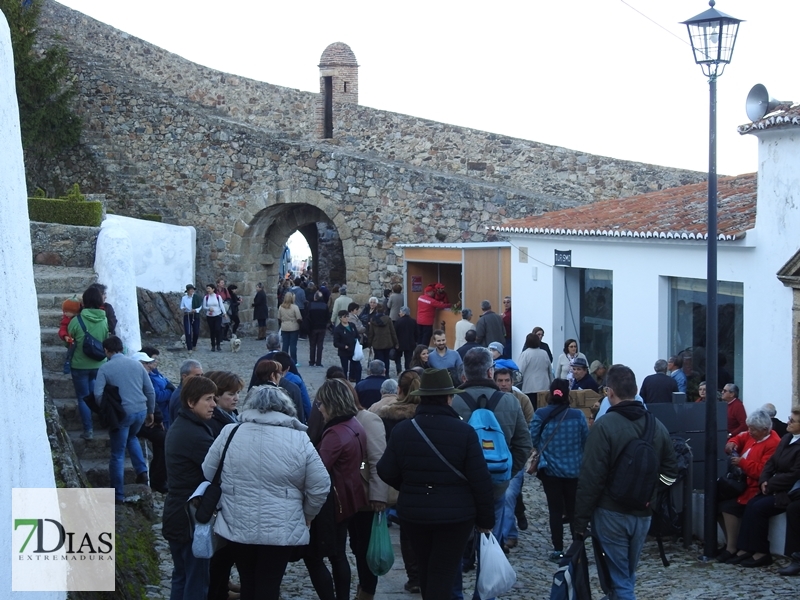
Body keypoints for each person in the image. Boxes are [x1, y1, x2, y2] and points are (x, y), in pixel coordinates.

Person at [202, 385, 330, 600]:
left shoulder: (230, 432)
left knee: (248, 580)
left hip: (237, 521)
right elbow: (321, 485)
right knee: (270, 582)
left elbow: (208, 471)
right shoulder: (299, 438)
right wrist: (308, 514)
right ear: (285, 408)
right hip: (281, 525)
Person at [377, 369, 495, 600]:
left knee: (425, 567)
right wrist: (486, 521)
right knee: (444, 571)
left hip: (415, 512)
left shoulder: (403, 430)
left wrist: (410, 485)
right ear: (449, 398)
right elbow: (480, 480)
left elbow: (385, 470)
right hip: (456, 516)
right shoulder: (465, 432)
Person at [574, 364, 678, 600]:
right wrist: (651, 491)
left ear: (610, 392)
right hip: (642, 514)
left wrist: (579, 523)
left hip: (610, 512)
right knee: (625, 575)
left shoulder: (603, 427)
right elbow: (671, 472)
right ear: (636, 390)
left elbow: (591, 479)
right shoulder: (657, 426)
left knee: (620, 581)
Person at [451, 346, 531, 597]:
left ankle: (454, 594)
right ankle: (483, 595)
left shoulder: (452, 402)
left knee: (454, 547)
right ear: (490, 371)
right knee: (489, 545)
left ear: (464, 374)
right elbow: (523, 445)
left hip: (460, 487)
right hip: (495, 486)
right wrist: (506, 473)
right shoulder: (509, 401)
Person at [304, 379, 368, 600]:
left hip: (334, 502)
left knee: (315, 556)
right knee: (339, 555)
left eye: (321, 402)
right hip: (351, 496)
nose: (318, 407)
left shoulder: (335, 434)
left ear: (331, 403)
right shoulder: (355, 425)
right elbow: (361, 463)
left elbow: (317, 471)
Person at [163, 375, 218, 599]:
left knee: (182, 576)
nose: (213, 404)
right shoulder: (194, 434)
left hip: (178, 512)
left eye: (214, 398)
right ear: (190, 402)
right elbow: (219, 471)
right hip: (189, 518)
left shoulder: (185, 425)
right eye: (208, 399)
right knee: (195, 581)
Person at [725, 407, 800, 567]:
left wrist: (769, 483)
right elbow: (771, 464)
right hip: (773, 486)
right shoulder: (787, 438)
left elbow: (794, 474)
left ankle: (761, 552)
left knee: (758, 508)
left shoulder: (782, 442)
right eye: (789, 418)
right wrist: (765, 480)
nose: (788, 422)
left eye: (792, 421)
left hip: (788, 491)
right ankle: (745, 548)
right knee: (752, 505)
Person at [529, 378, 589, 562]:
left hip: (551, 471)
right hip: (574, 470)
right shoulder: (578, 416)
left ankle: (558, 549)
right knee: (573, 511)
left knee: (555, 511)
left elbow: (533, 439)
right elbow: (585, 440)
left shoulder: (540, 414)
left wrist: (545, 450)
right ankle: (577, 548)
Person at [94, 339, 155, 503]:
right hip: (140, 410)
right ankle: (142, 470)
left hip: (122, 414)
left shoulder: (105, 368)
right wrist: (150, 412)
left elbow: (98, 394)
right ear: (121, 348)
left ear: (107, 350)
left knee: (117, 455)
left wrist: (107, 411)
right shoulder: (137, 365)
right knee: (132, 437)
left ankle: (118, 495)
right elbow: (150, 391)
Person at [716, 410, 780, 563]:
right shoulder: (753, 435)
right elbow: (741, 436)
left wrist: (742, 463)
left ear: (765, 430)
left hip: (753, 488)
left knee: (729, 507)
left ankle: (734, 547)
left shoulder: (773, 444)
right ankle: (732, 545)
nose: (749, 431)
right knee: (715, 503)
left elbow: (763, 471)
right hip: (742, 485)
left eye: (753, 429)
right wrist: (733, 442)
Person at [350, 382, 390, 600]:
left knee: (365, 545)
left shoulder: (368, 419)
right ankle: (364, 586)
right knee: (356, 544)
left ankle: (367, 589)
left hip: (365, 495)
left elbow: (375, 460)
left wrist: (378, 494)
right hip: (350, 495)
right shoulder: (339, 420)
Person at [494, 367, 534, 550]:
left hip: (513, 455)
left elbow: (530, 427)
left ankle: (508, 534)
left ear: (512, 382)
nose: (503, 384)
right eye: (500, 381)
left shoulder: (522, 400)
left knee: (509, 495)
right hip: (494, 456)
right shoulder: (491, 399)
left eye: (506, 381)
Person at [68, 286, 109, 441]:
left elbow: (69, 341)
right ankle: (103, 421)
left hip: (79, 364)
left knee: (83, 397)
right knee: (96, 393)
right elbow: (105, 338)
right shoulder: (104, 319)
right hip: (99, 364)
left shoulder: (76, 320)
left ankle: (89, 430)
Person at [204, 371, 244, 437]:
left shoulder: (233, 415)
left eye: (238, 393)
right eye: (231, 394)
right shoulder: (211, 422)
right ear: (217, 395)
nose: (236, 398)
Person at [516, 332, 553, 404]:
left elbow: (520, 371)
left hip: (529, 387)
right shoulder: (544, 353)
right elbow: (550, 370)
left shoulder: (525, 354)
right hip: (544, 386)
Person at [168, 360, 204, 424]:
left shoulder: (187, 393)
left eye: (202, 375)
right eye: (197, 376)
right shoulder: (182, 397)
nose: (201, 379)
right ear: (184, 377)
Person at [367, 304, 398, 375]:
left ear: (376, 310)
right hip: (387, 342)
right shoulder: (388, 319)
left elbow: (371, 333)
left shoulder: (373, 320)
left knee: (378, 358)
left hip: (377, 343)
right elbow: (392, 331)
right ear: (384, 310)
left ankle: (378, 373)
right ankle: (386, 373)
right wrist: (396, 342)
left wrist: (369, 343)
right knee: (386, 359)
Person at [333, 309, 362, 383]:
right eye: (344, 317)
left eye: (347, 316)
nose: (346, 318)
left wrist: (357, 341)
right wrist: (343, 346)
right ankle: (345, 383)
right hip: (344, 352)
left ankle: (358, 382)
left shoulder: (352, 325)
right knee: (344, 369)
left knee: (358, 367)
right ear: (340, 318)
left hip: (353, 350)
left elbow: (357, 335)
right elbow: (336, 343)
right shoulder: (338, 329)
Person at [278, 291, 303, 365]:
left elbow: (278, 317)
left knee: (285, 345)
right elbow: (299, 317)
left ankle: (283, 361)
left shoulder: (281, 307)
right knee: (293, 345)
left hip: (284, 326)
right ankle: (294, 361)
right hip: (293, 327)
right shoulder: (295, 307)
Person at [308, 291, 330, 367]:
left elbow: (308, 316)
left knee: (312, 345)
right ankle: (318, 361)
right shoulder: (324, 306)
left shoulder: (311, 305)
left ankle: (312, 361)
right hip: (322, 327)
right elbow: (327, 317)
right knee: (320, 345)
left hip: (313, 327)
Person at [393, 306, 417, 374]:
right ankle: (408, 370)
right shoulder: (413, 321)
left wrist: (395, 343)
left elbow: (395, 333)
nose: (399, 313)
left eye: (400, 312)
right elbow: (417, 333)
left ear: (403, 313)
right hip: (410, 343)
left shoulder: (398, 322)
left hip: (400, 343)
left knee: (397, 357)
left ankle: (399, 369)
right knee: (409, 358)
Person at [203, 283, 226, 352]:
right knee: (212, 331)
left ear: (213, 289)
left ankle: (218, 344)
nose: (208, 290)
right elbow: (204, 306)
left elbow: (221, 305)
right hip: (210, 316)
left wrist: (224, 313)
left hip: (217, 315)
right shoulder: (206, 297)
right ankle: (213, 345)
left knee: (217, 329)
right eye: (207, 289)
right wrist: (208, 308)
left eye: (209, 288)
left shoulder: (218, 297)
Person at [180, 284, 202, 352]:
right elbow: (181, 306)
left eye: (193, 289)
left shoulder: (196, 297)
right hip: (187, 315)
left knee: (196, 332)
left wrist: (196, 310)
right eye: (190, 290)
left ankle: (194, 344)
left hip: (195, 315)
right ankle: (189, 348)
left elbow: (200, 306)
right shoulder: (184, 298)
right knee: (188, 331)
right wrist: (184, 308)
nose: (192, 291)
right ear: (188, 291)